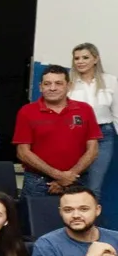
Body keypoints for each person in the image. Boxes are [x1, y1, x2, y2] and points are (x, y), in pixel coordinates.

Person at [16, 64, 102, 198]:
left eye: (58, 83)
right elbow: (23, 153)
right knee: (35, 219)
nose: (52, 88)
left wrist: (69, 177)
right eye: (47, 84)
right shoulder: (26, 112)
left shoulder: (85, 110)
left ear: (69, 85)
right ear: (40, 86)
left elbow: (93, 150)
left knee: (76, 219)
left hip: (77, 180)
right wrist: (59, 176)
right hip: (37, 182)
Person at [70, 43, 118, 201]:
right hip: (75, 135)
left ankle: (90, 225)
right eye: (76, 58)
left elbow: (116, 113)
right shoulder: (69, 82)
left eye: (85, 57)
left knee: (93, 187)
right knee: (71, 183)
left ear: (95, 59)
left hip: (103, 135)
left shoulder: (110, 81)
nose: (80, 61)